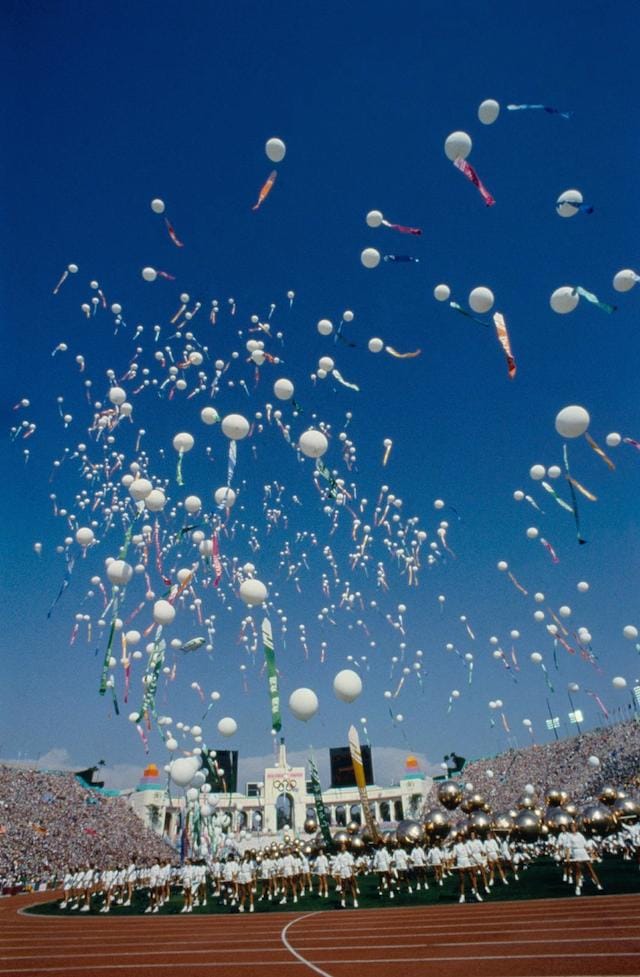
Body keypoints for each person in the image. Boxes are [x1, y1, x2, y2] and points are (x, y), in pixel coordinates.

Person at [566, 823, 603, 895]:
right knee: (578, 871)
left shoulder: (580, 835)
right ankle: (577, 888)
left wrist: (592, 854)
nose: (573, 828)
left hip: (583, 852)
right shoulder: (569, 836)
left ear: (576, 827)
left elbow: (586, 845)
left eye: (574, 826)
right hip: (576, 853)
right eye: (571, 827)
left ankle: (598, 884)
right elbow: (568, 847)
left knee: (590, 869)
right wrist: (567, 857)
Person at [453, 834, 482, 903]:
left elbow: (470, 854)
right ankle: (462, 896)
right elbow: (454, 855)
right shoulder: (455, 846)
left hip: (466, 861)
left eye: (460, 838)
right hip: (460, 862)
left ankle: (477, 894)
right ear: (457, 839)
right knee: (462, 880)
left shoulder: (466, 845)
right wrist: (449, 862)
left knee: (472, 878)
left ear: (462, 838)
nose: (459, 839)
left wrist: (477, 861)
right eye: (458, 838)